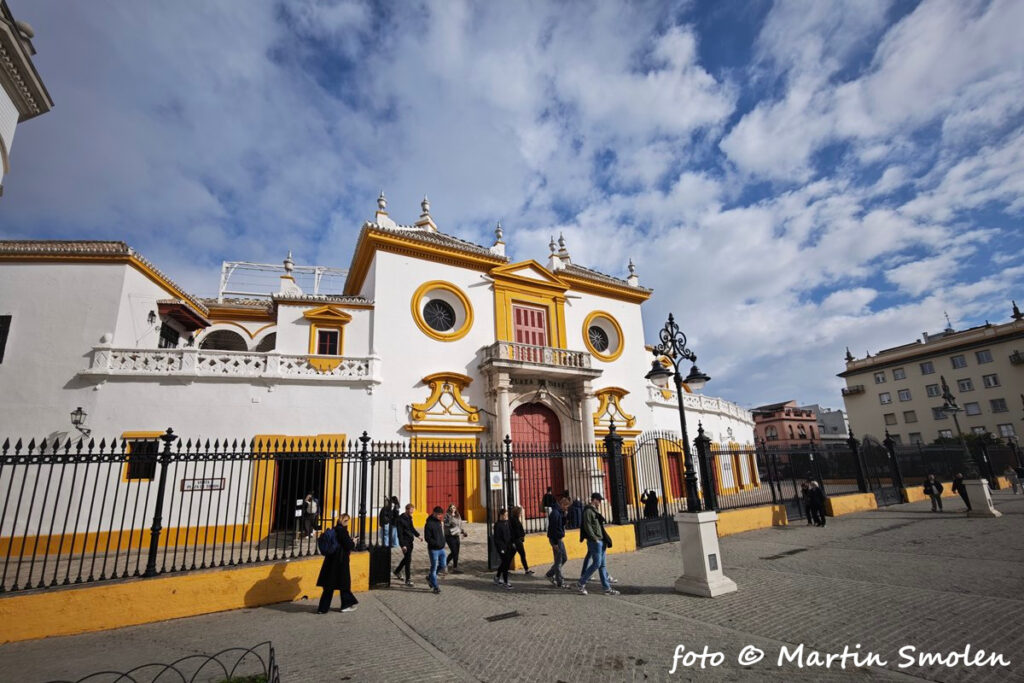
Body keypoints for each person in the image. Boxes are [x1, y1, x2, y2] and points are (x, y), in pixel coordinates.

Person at [576, 492, 618, 596]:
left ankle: (607, 588)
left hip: (601, 540)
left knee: (602, 565)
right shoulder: (588, 511)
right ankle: (581, 583)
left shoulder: (594, 510)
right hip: (595, 542)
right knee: (596, 564)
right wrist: (594, 539)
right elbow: (587, 526)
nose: (600, 502)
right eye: (599, 500)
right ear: (594, 500)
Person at [315, 514, 358, 613]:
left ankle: (322, 608)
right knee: (344, 584)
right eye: (347, 521)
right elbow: (348, 545)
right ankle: (346, 605)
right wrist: (353, 542)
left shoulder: (334, 530)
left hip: (330, 561)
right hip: (340, 561)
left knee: (328, 587)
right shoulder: (342, 531)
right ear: (345, 521)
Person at [545, 496, 569, 588]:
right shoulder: (555, 513)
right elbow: (552, 529)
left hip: (559, 538)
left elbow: (561, 524)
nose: (567, 508)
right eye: (566, 506)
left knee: (564, 558)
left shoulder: (559, 512)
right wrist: (554, 543)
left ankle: (550, 574)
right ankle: (560, 582)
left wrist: (564, 516)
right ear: (562, 504)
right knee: (558, 560)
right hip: (555, 539)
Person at [393, 503, 420, 586]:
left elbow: (412, 528)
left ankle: (397, 571)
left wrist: (418, 535)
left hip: (410, 541)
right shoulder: (400, 520)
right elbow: (399, 534)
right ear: (407, 509)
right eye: (411, 510)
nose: (412, 512)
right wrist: (402, 545)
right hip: (405, 542)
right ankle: (408, 579)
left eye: (413, 510)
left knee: (407, 558)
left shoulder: (409, 517)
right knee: (408, 560)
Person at [424, 506, 446, 595]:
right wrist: (436, 543)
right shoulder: (429, 524)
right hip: (433, 550)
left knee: (442, 565)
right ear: (434, 513)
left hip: (442, 549)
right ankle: (435, 587)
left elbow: (441, 534)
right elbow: (427, 538)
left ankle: (430, 578)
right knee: (433, 568)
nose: (440, 516)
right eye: (438, 514)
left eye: (441, 514)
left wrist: (443, 542)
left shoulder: (439, 522)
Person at [492, 508, 514, 589]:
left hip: (508, 546)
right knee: (506, 564)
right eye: (505, 515)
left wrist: (512, 543)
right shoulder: (498, 525)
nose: (506, 516)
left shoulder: (507, 523)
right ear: (501, 515)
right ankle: (505, 582)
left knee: (504, 563)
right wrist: (501, 549)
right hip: (502, 548)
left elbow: (510, 534)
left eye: (507, 515)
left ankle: (497, 578)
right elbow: (497, 539)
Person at [443, 504, 468, 573]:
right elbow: (446, 524)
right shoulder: (447, 515)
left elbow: (460, 525)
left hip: (456, 535)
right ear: (449, 508)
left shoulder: (458, 515)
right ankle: (444, 565)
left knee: (456, 552)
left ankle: (455, 567)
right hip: (449, 536)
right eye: (451, 507)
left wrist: (463, 532)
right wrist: (451, 520)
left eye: (454, 507)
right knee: (454, 551)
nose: (453, 508)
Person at [509, 506, 533, 574]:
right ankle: (526, 570)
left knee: (511, 556)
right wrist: (521, 536)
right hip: (517, 541)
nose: (521, 514)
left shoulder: (515, 519)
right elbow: (515, 531)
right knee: (521, 555)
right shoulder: (514, 520)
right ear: (517, 513)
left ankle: (526, 569)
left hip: (517, 540)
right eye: (520, 513)